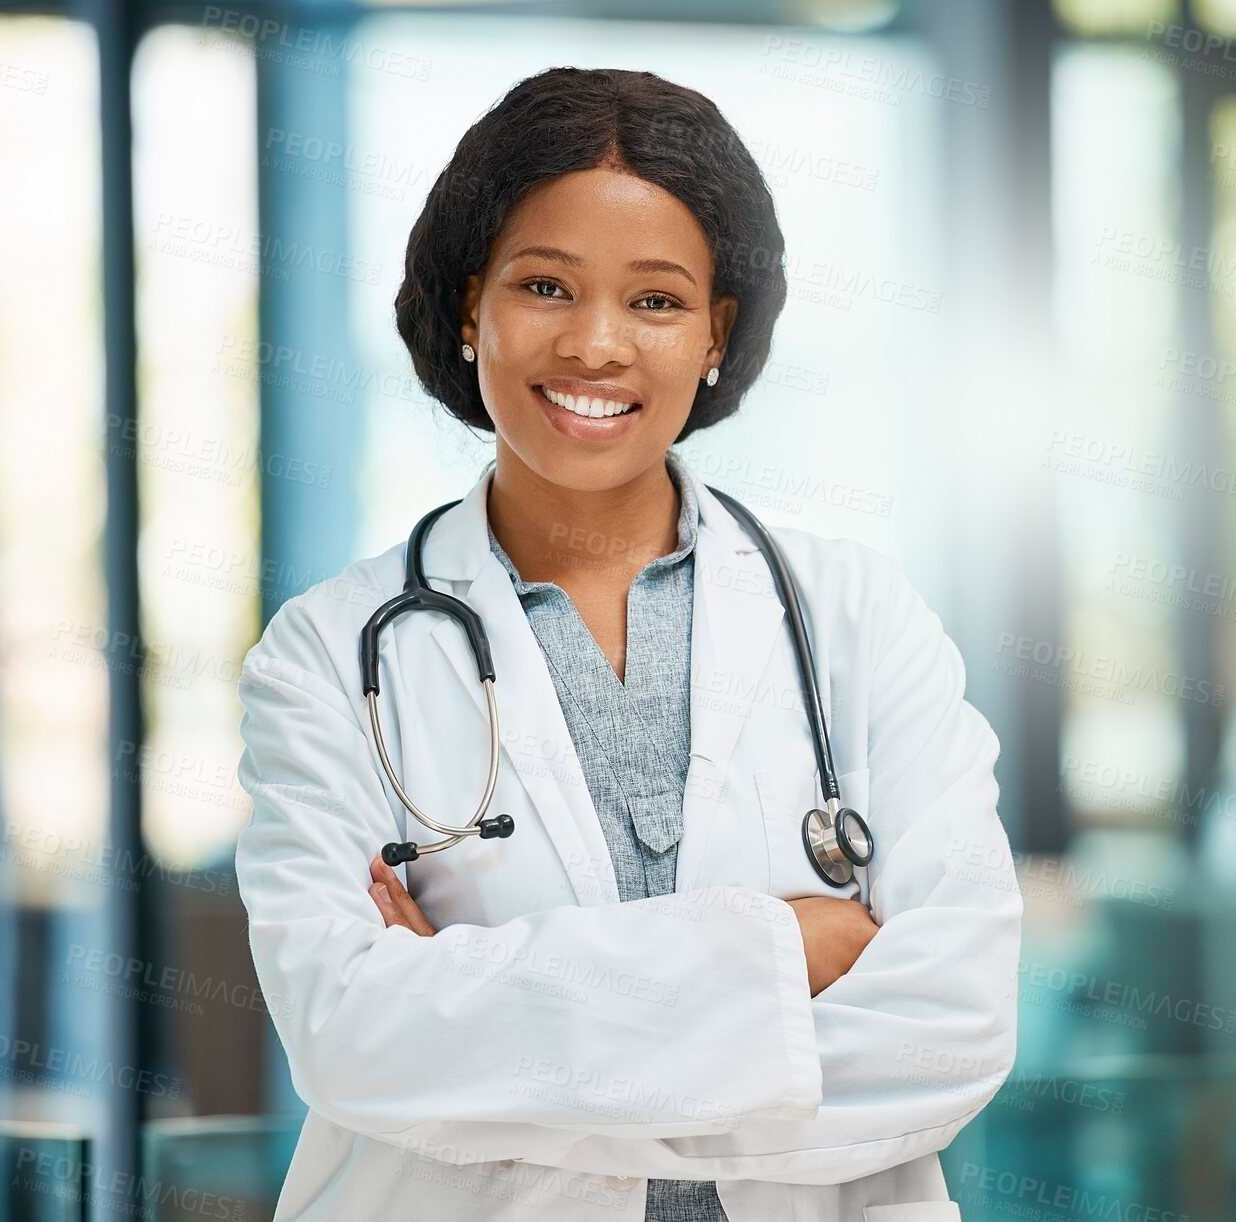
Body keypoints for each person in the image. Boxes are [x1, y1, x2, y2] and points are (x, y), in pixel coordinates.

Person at [235, 66, 1021, 1222]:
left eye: (656, 300)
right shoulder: (327, 651)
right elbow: (351, 1039)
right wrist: (779, 955)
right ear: (469, 306)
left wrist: (481, 1025)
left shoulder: (859, 619)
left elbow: (951, 1029)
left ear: (719, 330)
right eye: (545, 284)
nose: (596, 344)